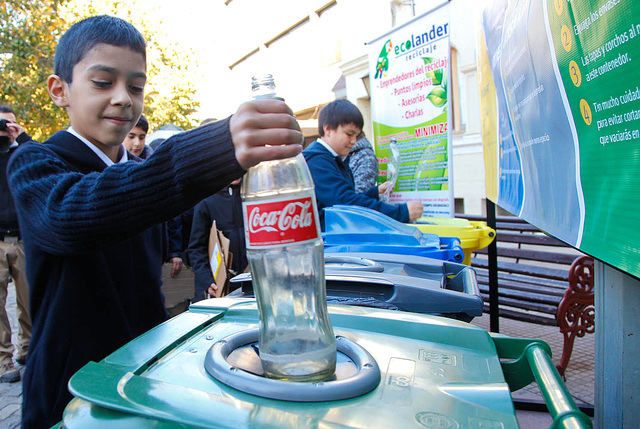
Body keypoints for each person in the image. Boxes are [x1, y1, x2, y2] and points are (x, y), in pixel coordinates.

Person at [7, 15, 302, 428]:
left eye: (136, 86)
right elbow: (71, 214)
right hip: (68, 390)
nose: (124, 98)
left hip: (141, 375)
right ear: (60, 90)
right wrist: (218, 146)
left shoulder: (142, 173)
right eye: (102, 82)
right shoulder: (37, 162)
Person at [303, 99, 423, 229]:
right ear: (328, 129)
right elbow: (345, 204)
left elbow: (341, 199)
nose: (354, 141)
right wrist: (402, 212)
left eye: (357, 135)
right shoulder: (317, 161)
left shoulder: (333, 158)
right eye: (349, 134)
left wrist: (374, 192)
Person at [0, 105, 32, 384]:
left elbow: (43, 163)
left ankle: (28, 349)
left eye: (9, 124)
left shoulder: (22, 153)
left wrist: (20, 138)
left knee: (28, 301)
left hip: (22, 239)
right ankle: (3, 359)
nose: (5, 129)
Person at [188, 178, 247, 301]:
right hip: (220, 288)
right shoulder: (206, 199)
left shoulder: (254, 194)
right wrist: (207, 281)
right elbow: (196, 248)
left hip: (252, 284)